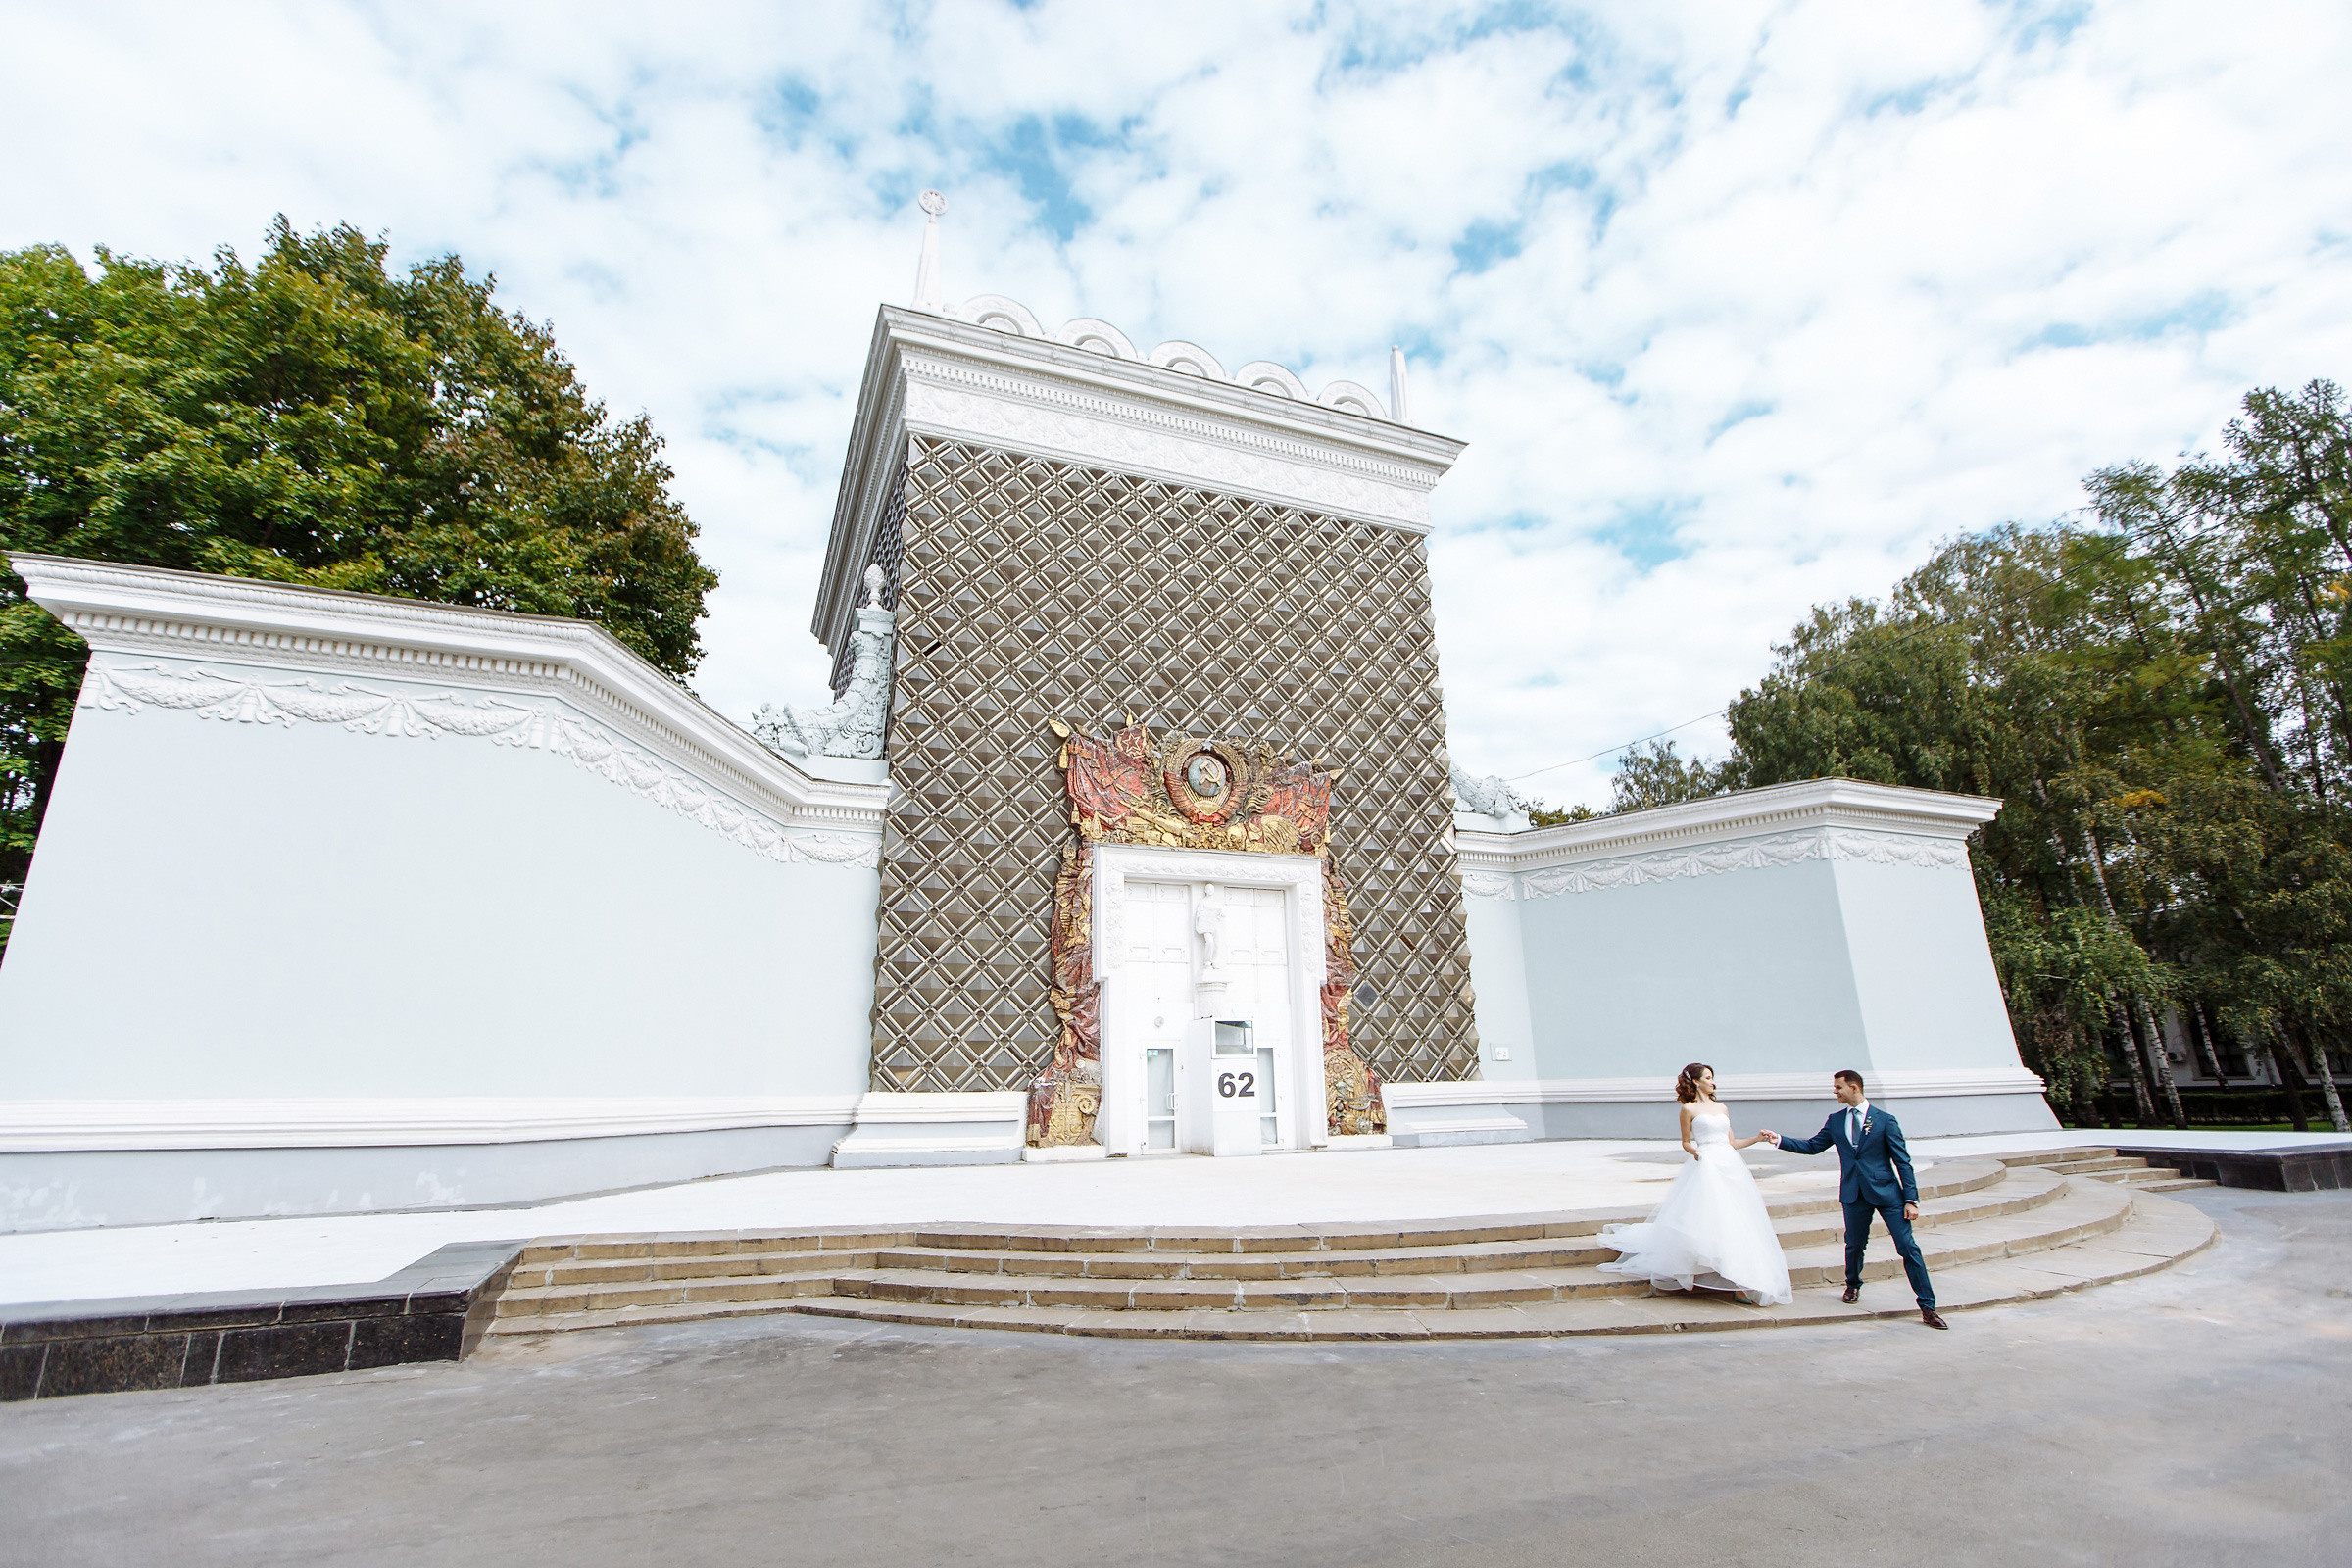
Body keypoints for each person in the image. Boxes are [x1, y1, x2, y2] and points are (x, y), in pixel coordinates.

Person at [1759, 1069, 1948, 1330]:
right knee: (1855, 1244)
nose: (1834, 1091)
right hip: (1853, 1193)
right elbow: (1813, 1146)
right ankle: (1853, 1284)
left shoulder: (1885, 1120)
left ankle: (1928, 1307)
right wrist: (1779, 1140)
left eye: (1838, 1087)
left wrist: (1911, 1199)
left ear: (1854, 1087)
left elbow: (1902, 1161)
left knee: (1908, 1247)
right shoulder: (1836, 1121)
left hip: (1888, 1194)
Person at [1598, 1063, 1792, 1306]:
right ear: (1697, 1082)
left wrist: (1757, 1138)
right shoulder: (1688, 1109)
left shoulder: (1722, 1107)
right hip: (1707, 1165)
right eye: (1708, 1078)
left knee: (1738, 1217)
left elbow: (1731, 1142)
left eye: (1713, 1078)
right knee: (1710, 1216)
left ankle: (1741, 1276)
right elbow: (1686, 1142)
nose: (1713, 1082)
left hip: (1730, 1166)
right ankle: (1707, 1266)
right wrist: (1697, 1153)